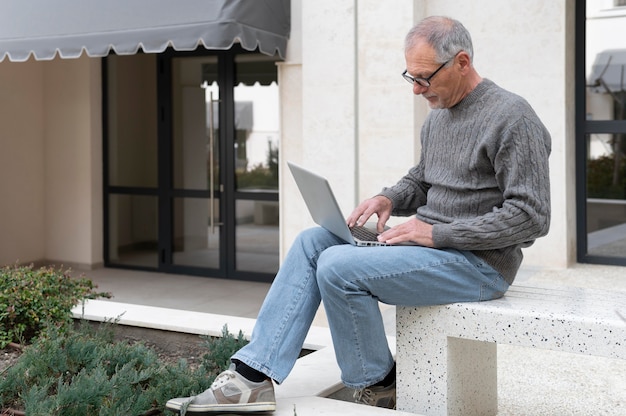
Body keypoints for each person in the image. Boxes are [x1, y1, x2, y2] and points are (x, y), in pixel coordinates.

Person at [166, 15, 551, 414]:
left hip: (479, 265)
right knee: (313, 241)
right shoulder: (437, 116)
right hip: (432, 250)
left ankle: (379, 384)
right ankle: (252, 377)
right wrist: (388, 199)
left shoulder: (513, 117)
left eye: (424, 78)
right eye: (411, 77)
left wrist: (437, 235)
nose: (417, 90)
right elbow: (422, 180)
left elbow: (532, 216)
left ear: (462, 62)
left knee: (337, 265)